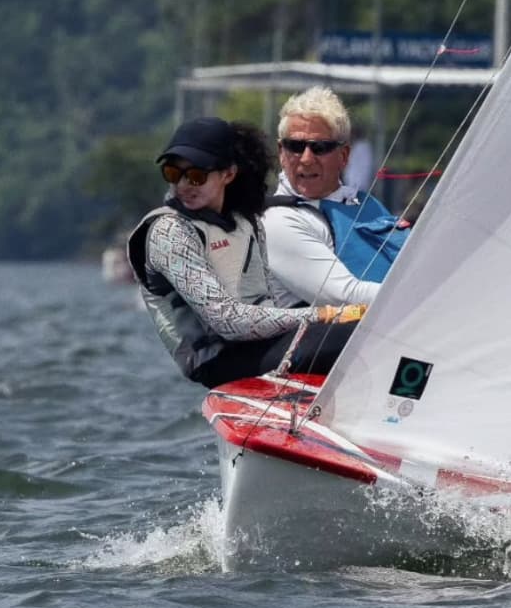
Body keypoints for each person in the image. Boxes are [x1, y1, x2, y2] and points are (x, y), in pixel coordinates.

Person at [127, 116, 366, 388]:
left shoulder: (246, 221)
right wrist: (324, 315)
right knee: (353, 332)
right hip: (215, 361)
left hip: (258, 343)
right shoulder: (168, 232)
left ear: (228, 174)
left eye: (196, 176)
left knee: (372, 324)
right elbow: (228, 322)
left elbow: (265, 303)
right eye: (173, 173)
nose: (183, 185)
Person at [264, 86, 409, 307]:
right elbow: (345, 296)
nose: (306, 159)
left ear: (344, 156)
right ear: (281, 153)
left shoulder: (364, 203)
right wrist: (428, 296)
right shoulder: (277, 221)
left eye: (320, 147)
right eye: (295, 146)